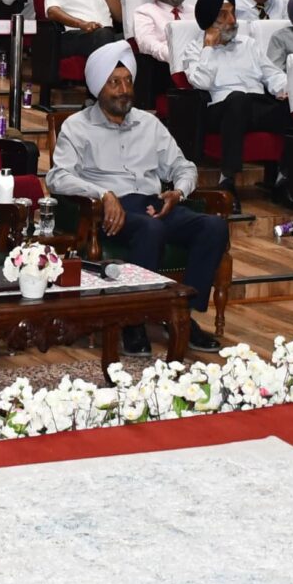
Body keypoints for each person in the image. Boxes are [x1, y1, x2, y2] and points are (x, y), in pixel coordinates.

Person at [46, 42, 227, 355]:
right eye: (114, 83)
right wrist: (102, 194)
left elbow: (183, 166)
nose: (123, 90)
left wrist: (179, 191)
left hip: (155, 204)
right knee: (150, 230)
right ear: (98, 87)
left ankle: (181, 314)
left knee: (213, 227)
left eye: (128, 81)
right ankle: (133, 322)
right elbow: (57, 177)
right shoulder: (78, 127)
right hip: (111, 212)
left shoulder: (149, 124)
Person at [180, 0, 291, 205]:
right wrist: (209, 49)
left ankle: (283, 180)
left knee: (292, 107)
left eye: (233, 12)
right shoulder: (194, 50)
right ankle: (227, 179)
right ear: (209, 19)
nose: (232, 20)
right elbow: (201, 83)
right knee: (238, 99)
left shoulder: (248, 45)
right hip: (218, 110)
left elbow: (272, 75)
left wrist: (287, 89)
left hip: (256, 106)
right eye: (223, 14)